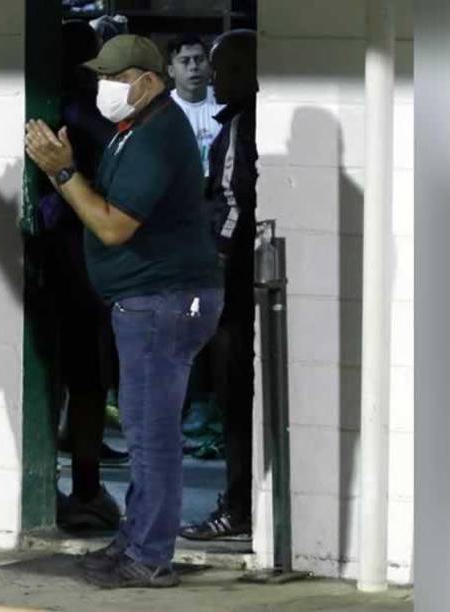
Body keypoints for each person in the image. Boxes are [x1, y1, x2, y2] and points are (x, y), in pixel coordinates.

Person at [25, 34, 224, 589]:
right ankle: (136, 540)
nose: (104, 88)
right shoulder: (133, 129)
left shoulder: (157, 136)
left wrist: (64, 174)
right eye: (101, 77)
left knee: (153, 434)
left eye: (114, 79)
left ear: (147, 80)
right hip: (148, 301)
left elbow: (113, 226)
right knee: (142, 430)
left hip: (164, 302)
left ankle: (151, 555)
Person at [179, 29, 260, 542]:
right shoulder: (242, 120)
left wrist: (214, 265)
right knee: (233, 398)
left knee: (235, 399)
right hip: (241, 286)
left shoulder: (239, 125)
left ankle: (238, 505)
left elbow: (231, 204)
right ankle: (240, 500)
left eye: (223, 67)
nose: (211, 74)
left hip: (232, 288)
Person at [44, 19, 122, 534]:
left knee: (69, 379)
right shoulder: (87, 116)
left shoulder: (48, 110)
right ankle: (88, 489)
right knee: (88, 382)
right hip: (83, 263)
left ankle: (81, 486)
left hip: (57, 260)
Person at [166, 34, 225, 177]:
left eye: (199, 60)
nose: (193, 67)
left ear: (210, 67)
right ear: (171, 71)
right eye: (185, 61)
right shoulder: (162, 109)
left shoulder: (226, 104)